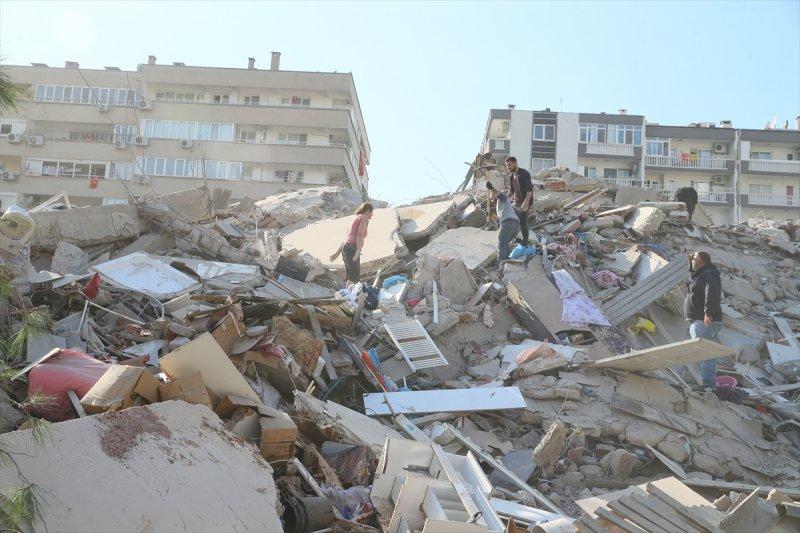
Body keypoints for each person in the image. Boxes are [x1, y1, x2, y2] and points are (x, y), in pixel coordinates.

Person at [684, 250, 723, 391]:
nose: (692, 260)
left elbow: (712, 293)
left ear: (700, 260)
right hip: (699, 319)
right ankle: (707, 382)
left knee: (704, 350)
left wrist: (708, 313)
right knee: (702, 349)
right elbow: (693, 277)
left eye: (694, 259)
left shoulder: (710, 274)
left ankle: (708, 384)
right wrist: (690, 262)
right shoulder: (702, 273)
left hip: (706, 319)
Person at [330, 202, 373, 283]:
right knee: (354, 277)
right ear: (367, 211)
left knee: (350, 275)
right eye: (371, 212)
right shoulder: (364, 218)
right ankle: (351, 291)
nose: (372, 215)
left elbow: (347, 239)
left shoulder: (356, 218)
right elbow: (360, 234)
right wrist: (357, 251)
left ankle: (348, 290)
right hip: (352, 248)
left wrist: (337, 253)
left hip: (345, 248)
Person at [485, 182, 521, 262]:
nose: (491, 200)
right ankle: (506, 261)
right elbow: (499, 220)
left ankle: (501, 263)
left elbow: (499, 194)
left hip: (509, 223)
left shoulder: (503, 199)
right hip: (516, 226)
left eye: (492, 197)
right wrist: (490, 215)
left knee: (501, 243)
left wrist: (491, 188)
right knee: (505, 244)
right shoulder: (502, 206)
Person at [505, 156, 533, 244]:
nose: (508, 167)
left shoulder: (524, 174)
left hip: (525, 202)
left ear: (515, 163)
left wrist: (526, 202)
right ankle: (513, 238)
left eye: (509, 165)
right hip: (516, 202)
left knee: (523, 222)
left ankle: (525, 242)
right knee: (512, 220)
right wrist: (505, 199)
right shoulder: (512, 176)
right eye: (507, 165)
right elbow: (512, 190)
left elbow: (529, 190)